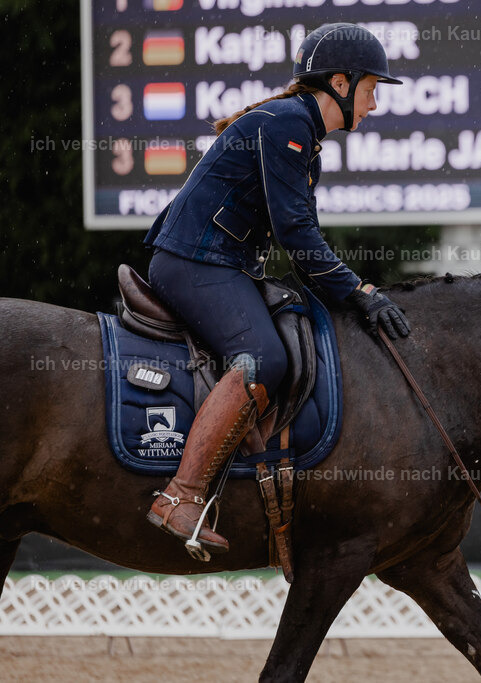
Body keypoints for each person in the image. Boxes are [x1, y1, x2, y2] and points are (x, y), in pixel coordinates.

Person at [143, 23, 410, 556]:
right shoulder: (289, 123)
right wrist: (358, 291)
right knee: (263, 357)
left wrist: (347, 291)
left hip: (221, 263)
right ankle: (181, 495)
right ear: (340, 81)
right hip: (194, 262)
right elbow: (296, 233)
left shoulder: (302, 134)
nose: (375, 104)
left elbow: (300, 239)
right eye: (372, 88)